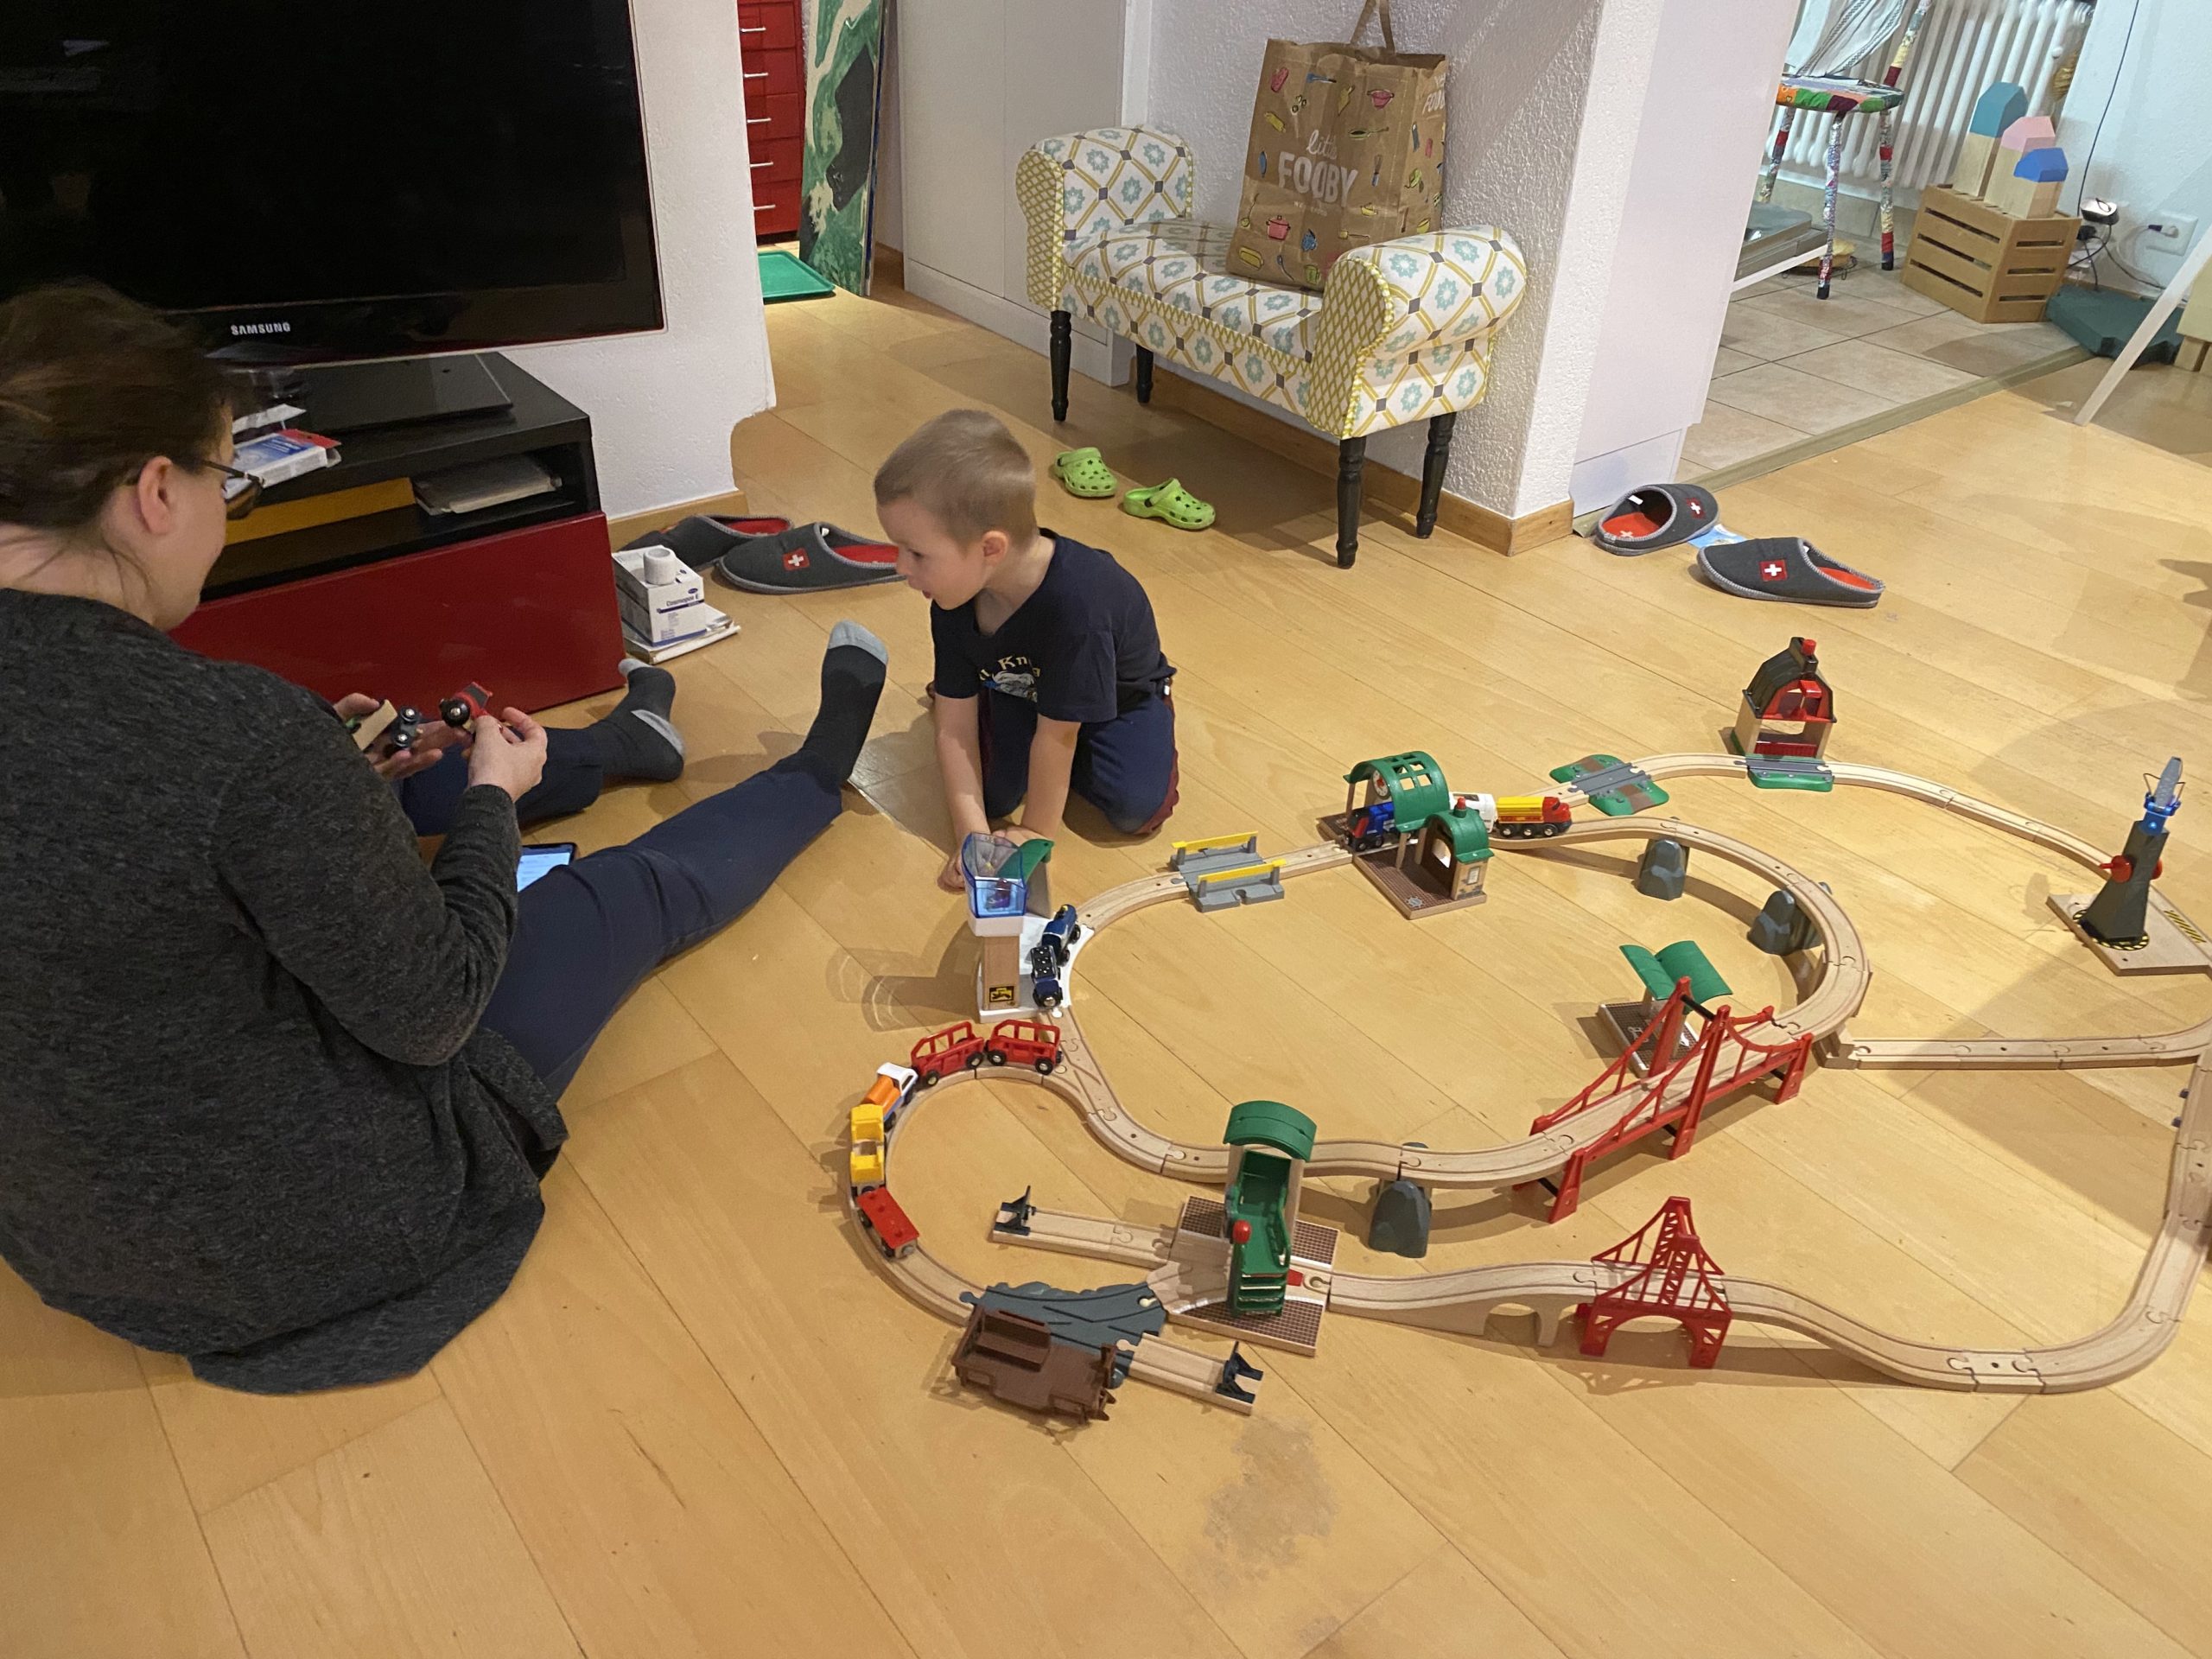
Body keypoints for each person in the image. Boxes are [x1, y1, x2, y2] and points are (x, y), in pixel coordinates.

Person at [0, 281, 887, 1392]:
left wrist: (337, 792)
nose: (228, 512)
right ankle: (815, 772)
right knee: (620, 892)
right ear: (154, 492)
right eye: (230, 478)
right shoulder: (238, 739)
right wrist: (490, 806)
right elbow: (435, 1011)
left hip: (71, 1233)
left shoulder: (237, 746)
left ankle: (626, 743)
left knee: (402, 772)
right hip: (324, 1229)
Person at [874, 409, 1178, 893]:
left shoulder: (1080, 609)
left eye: (916, 553)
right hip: (1021, 690)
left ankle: (1080, 721)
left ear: (990, 548)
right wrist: (972, 836)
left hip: (1121, 700)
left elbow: (1059, 738)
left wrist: (1035, 832)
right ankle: (1029, 713)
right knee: (992, 796)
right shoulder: (952, 597)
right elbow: (953, 729)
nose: (900, 567)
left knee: (1136, 808)